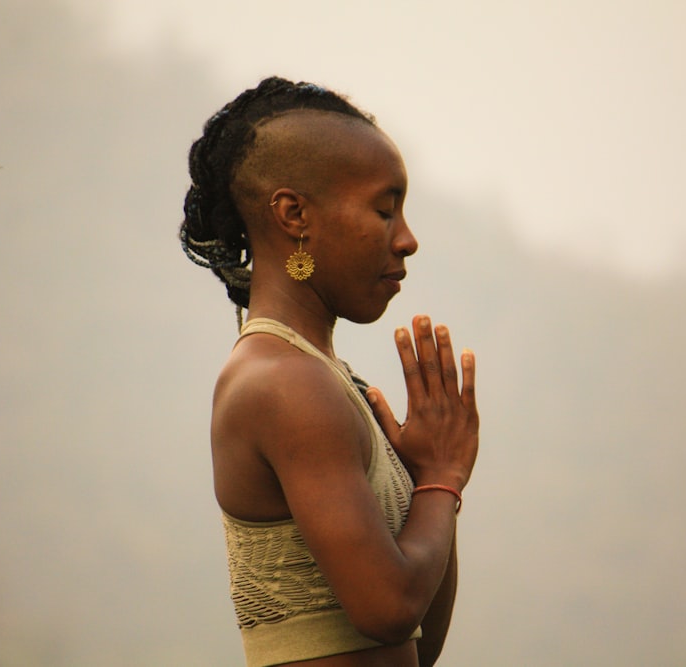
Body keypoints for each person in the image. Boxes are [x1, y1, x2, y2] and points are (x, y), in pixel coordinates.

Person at [180, 77, 480, 667]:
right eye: (384, 209)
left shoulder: (326, 380)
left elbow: (415, 640)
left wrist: (431, 484)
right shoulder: (286, 384)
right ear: (294, 214)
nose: (407, 240)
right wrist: (443, 477)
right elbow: (388, 608)